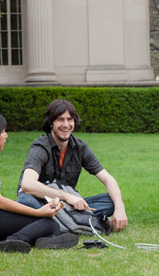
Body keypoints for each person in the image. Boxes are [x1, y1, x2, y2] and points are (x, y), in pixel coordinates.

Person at [0, 110, 78, 253]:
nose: (6, 135)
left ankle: (40, 240)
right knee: (46, 223)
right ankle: (13, 241)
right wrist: (37, 212)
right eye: (3, 132)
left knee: (51, 225)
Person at [16, 99, 128, 233]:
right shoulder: (40, 146)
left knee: (111, 201)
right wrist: (67, 196)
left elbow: (107, 179)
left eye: (70, 119)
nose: (66, 125)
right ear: (51, 123)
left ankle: (62, 223)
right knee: (25, 200)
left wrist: (120, 208)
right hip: (42, 202)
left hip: (68, 206)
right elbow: (27, 185)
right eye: (60, 120)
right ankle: (93, 222)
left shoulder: (80, 147)